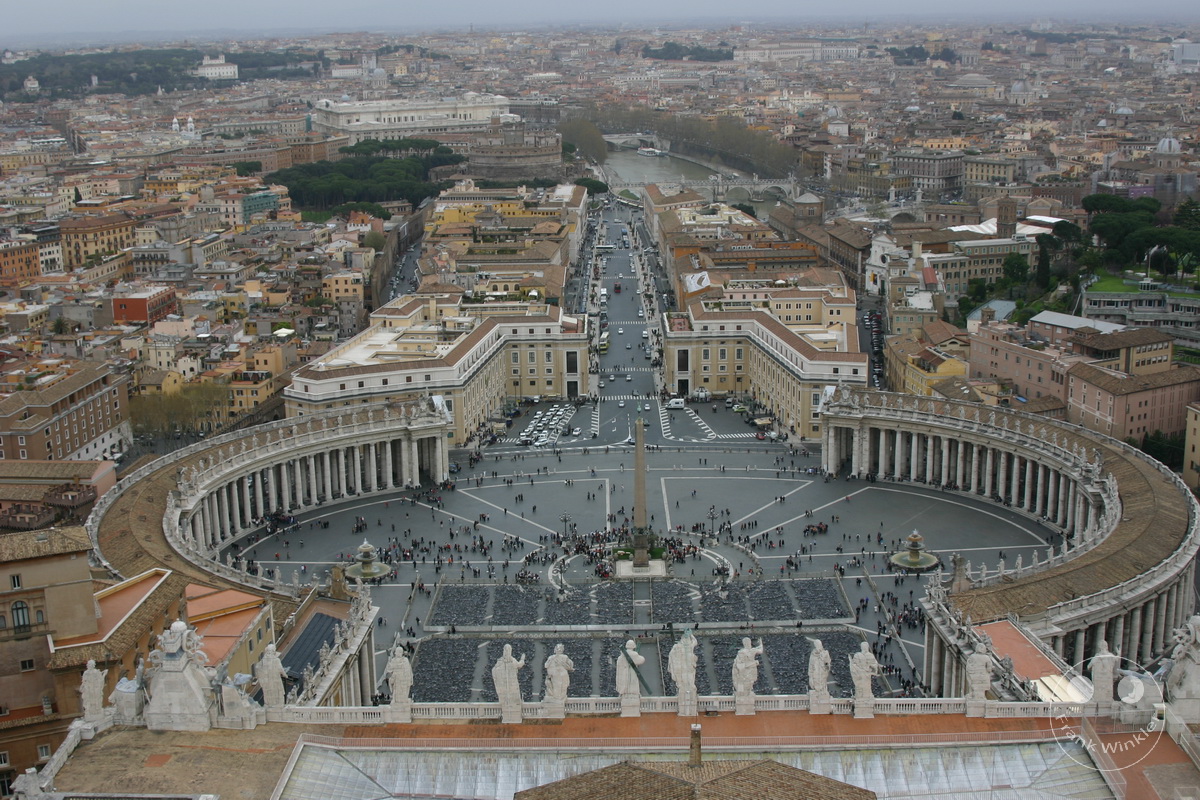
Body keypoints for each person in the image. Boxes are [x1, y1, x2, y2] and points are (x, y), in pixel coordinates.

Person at [667, 630, 698, 704]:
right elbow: (671, 655)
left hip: (690, 667)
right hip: (681, 668)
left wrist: (691, 635)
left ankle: (691, 697)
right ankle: (684, 697)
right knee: (682, 683)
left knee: (691, 683)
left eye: (688, 638)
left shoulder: (690, 646)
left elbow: (695, 642)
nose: (686, 640)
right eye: (685, 638)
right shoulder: (678, 646)